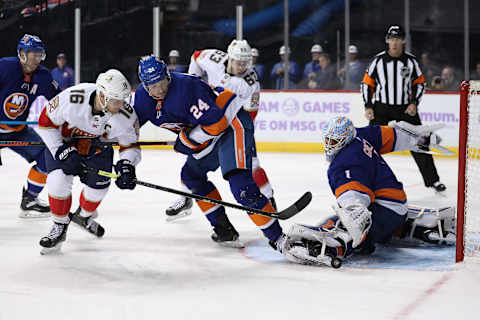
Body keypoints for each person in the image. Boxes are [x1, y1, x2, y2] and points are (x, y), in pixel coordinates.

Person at [133, 55, 285, 250]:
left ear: (167, 76)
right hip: (208, 134)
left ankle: (279, 239)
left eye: (162, 82)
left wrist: (186, 141)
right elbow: (129, 126)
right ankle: (224, 231)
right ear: (145, 86)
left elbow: (217, 123)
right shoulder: (142, 98)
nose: (160, 89)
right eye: (153, 86)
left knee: (241, 187)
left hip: (230, 124)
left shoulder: (186, 88)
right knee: (191, 177)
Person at [274, 116, 456, 267]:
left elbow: (356, 205)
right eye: (327, 141)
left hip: (385, 211)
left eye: (334, 141)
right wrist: (420, 139)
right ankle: (412, 226)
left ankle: (331, 247)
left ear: (344, 139)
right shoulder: (361, 134)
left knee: (337, 224)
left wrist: (349, 224)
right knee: (358, 220)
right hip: (398, 204)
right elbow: (393, 136)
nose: (329, 146)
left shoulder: (344, 163)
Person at [164, 39, 277, 228]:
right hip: (209, 119)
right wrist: (194, 80)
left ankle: (269, 199)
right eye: (238, 61)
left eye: (245, 62)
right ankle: (185, 198)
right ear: (230, 58)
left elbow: (251, 114)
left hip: (235, 125)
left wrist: (241, 135)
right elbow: (196, 56)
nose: (242, 66)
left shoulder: (251, 83)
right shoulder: (214, 59)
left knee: (253, 163)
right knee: (194, 158)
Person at [37, 69, 140, 254]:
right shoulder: (72, 97)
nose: (121, 104)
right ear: (102, 95)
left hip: (98, 150)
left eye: (123, 100)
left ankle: (82, 217)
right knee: (57, 182)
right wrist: (60, 150)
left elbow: (130, 145)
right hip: (65, 143)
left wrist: (127, 165)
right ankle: (59, 226)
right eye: (117, 100)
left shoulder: (126, 115)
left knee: (98, 190)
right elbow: (45, 123)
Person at [361, 25, 446, 193]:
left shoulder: (411, 61)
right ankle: (365, 179)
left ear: (403, 41)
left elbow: (420, 83)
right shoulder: (378, 61)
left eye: (397, 39)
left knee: (420, 142)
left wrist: (414, 103)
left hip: (405, 108)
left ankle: (433, 181)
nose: (394, 43)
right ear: (387, 41)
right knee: (369, 144)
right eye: (391, 39)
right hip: (381, 108)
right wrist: (368, 106)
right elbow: (366, 84)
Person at [0, 34, 61, 218]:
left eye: (39, 54)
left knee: (46, 157)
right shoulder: (5, 66)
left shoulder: (43, 76)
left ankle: (30, 199)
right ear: (21, 53)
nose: (36, 59)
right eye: (32, 54)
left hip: (18, 132)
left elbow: (60, 101)